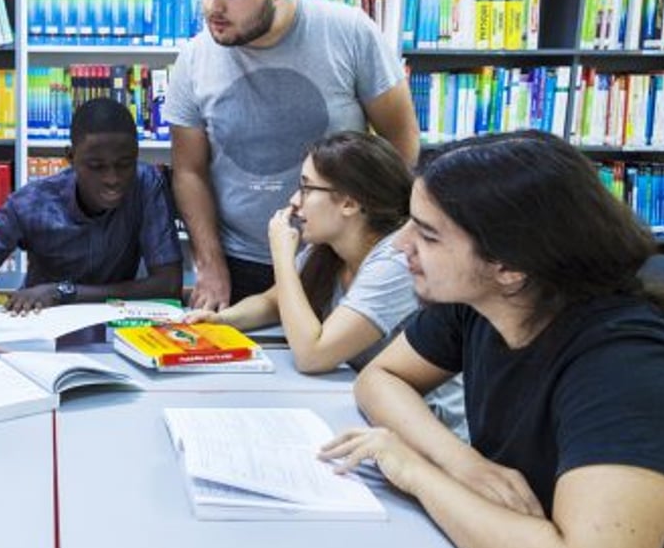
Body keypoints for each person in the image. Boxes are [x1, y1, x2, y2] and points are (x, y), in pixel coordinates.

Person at [320, 131, 664, 548]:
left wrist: (418, 472)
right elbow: (380, 378)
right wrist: (462, 464)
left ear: (508, 266)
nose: (401, 246)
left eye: (428, 234)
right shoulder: (480, 302)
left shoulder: (622, 362)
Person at [167, 0, 420, 311]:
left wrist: (375, 242)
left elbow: (401, 141)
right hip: (239, 266)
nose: (214, 6)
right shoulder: (194, 58)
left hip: (338, 260)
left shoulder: (349, 33)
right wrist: (210, 265)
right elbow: (189, 171)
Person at [186, 131, 466, 436]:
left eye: (306, 188)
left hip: (426, 428)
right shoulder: (329, 249)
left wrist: (281, 254)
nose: (294, 201)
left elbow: (313, 355)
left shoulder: (396, 261)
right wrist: (221, 320)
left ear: (348, 202)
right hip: (366, 409)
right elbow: (272, 302)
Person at [0, 97, 183, 337]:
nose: (113, 179)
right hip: (40, 327)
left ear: (137, 154)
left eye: (125, 164)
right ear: (71, 158)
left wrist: (63, 292)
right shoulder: (30, 204)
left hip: (114, 327)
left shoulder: (146, 184)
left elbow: (169, 284)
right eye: (97, 166)